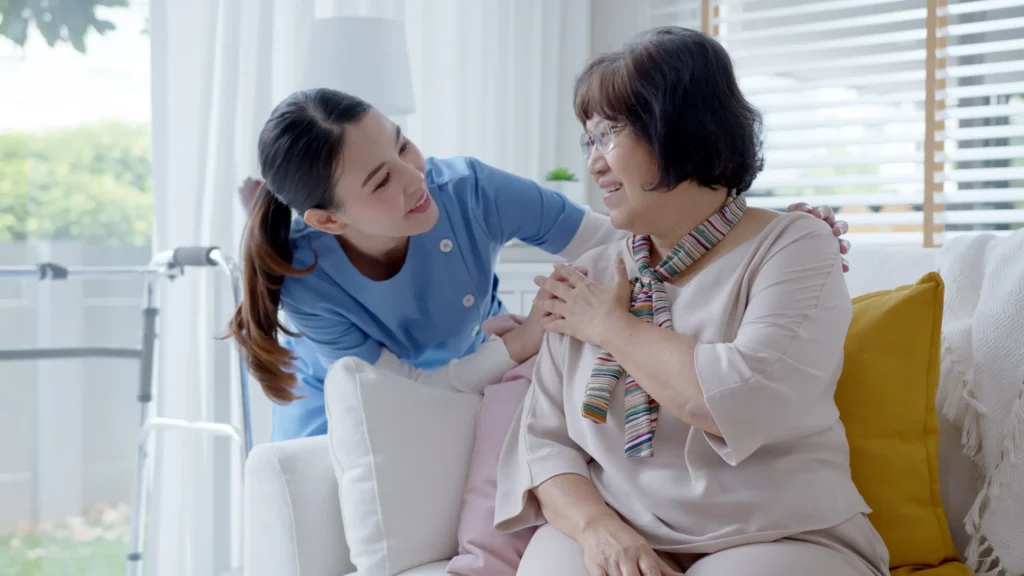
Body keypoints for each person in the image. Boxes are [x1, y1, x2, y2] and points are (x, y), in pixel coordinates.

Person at [229, 88, 852, 442]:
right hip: (353, 414)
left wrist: (759, 232)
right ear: (329, 221)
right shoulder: (307, 281)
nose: (415, 177)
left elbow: (621, 239)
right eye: (380, 180)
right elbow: (402, 392)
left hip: (471, 370)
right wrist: (523, 340)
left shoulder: (469, 190)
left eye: (403, 145)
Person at [494, 27, 888, 576]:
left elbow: (738, 398)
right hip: (618, 525)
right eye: (589, 140)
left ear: (680, 127)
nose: (594, 164)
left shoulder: (794, 245)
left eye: (609, 134)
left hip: (778, 531)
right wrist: (598, 530)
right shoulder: (589, 277)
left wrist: (609, 327)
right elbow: (543, 442)